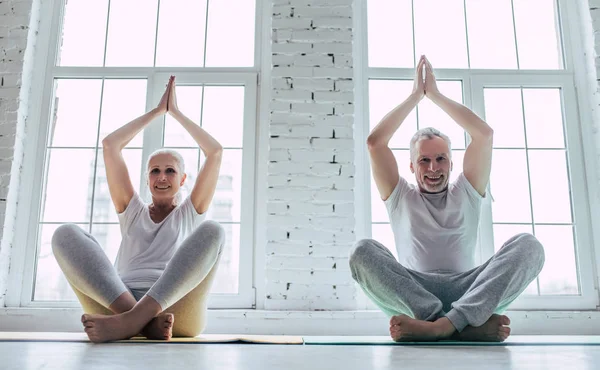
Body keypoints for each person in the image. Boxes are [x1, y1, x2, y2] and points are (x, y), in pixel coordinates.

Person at [349, 55, 545, 342]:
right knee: (362, 252)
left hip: (470, 291)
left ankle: (441, 327)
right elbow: (375, 143)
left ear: (452, 163)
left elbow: (484, 135)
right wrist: (416, 96)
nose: (433, 168)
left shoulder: (466, 190)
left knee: (530, 245)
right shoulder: (400, 196)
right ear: (412, 166)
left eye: (441, 158)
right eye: (424, 160)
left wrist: (436, 95)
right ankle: (460, 326)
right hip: (415, 291)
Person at [52, 76, 225, 343]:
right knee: (65, 234)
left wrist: (175, 113)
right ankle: (141, 323)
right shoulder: (132, 211)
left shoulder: (189, 212)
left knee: (214, 230)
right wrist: (157, 112)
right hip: (118, 302)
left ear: (182, 180)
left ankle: (134, 321)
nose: (162, 177)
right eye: (155, 171)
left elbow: (214, 151)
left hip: (174, 309)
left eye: (170, 171)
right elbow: (111, 145)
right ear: (147, 180)